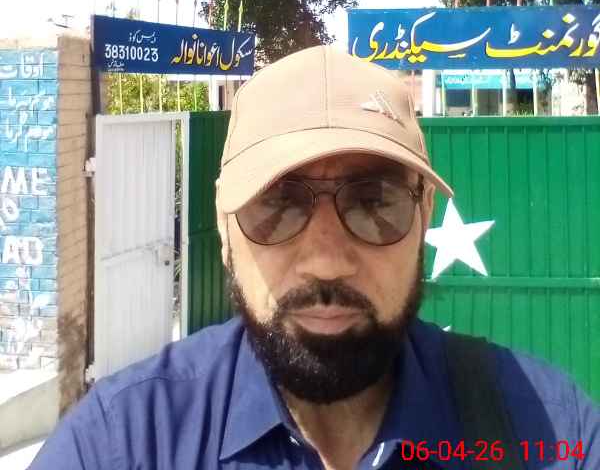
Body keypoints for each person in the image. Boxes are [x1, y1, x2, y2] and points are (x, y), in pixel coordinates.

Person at [31, 46, 599, 469]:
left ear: (423, 216)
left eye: (374, 202)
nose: (326, 264)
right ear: (225, 228)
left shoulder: (546, 431)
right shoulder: (125, 442)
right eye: (277, 204)